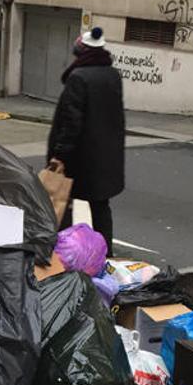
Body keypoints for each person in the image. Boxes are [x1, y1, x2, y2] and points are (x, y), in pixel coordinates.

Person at [47, 27, 125, 257]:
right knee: (101, 207)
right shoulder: (112, 74)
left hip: (79, 157)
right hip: (105, 155)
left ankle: (68, 251)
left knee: (64, 203)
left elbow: (71, 122)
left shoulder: (78, 77)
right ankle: (106, 254)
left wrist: (59, 155)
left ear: (81, 51)